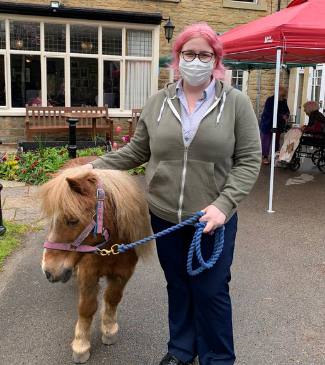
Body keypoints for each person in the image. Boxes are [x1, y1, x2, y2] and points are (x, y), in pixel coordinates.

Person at [83, 23, 261, 365]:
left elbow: (250, 159)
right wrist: (95, 167)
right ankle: (181, 349)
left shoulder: (236, 103)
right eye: (189, 53)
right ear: (177, 58)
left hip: (211, 218)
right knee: (178, 286)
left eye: (204, 54)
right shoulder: (158, 102)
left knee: (210, 291)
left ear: (216, 60)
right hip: (164, 216)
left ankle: (218, 358)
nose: (196, 60)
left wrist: (224, 205)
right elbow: (137, 151)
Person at [259, 86, 290, 165]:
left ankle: (275, 156)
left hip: (278, 124)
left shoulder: (284, 101)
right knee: (266, 141)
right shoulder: (270, 100)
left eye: (284, 96)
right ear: (278, 94)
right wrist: (281, 116)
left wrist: (286, 115)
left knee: (276, 141)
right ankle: (265, 156)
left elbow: (287, 110)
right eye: (282, 96)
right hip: (268, 123)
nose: (284, 97)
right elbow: (268, 113)